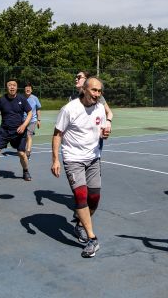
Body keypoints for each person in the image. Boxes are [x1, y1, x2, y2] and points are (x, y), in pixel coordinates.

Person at [51, 77, 110, 258]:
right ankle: (92, 239)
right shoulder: (69, 109)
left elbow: (99, 130)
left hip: (93, 159)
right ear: (84, 89)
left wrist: (105, 133)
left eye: (99, 91)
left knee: (94, 199)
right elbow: (57, 135)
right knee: (81, 196)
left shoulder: (100, 107)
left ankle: (79, 224)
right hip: (73, 159)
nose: (97, 94)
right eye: (94, 90)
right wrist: (55, 159)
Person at [0, 79, 33, 183]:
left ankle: (25, 171)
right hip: (4, 130)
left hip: (19, 131)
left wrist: (24, 125)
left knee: (21, 153)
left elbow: (30, 113)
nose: (12, 87)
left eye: (14, 85)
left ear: (16, 87)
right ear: (6, 87)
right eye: (10, 85)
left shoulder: (22, 99)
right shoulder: (2, 100)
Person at [72, 70, 113, 137]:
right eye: (76, 77)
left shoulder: (97, 96)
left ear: (86, 80)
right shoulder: (72, 98)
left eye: (79, 77)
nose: (76, 79)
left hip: (93, 137)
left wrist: (108, 122)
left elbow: (109, 113)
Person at [23, 83, 42, 160]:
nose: (28, 89)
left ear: (31, 90)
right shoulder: (21, 98)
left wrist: (39, 120)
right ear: (24, 90)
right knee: (23, 137)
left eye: (29, 88)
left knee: (29, 135)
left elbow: (38, 109)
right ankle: (23, 150)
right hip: (22, 121)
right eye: (26, 88)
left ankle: (28, 152)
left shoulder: (35, 98)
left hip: (32, 121)